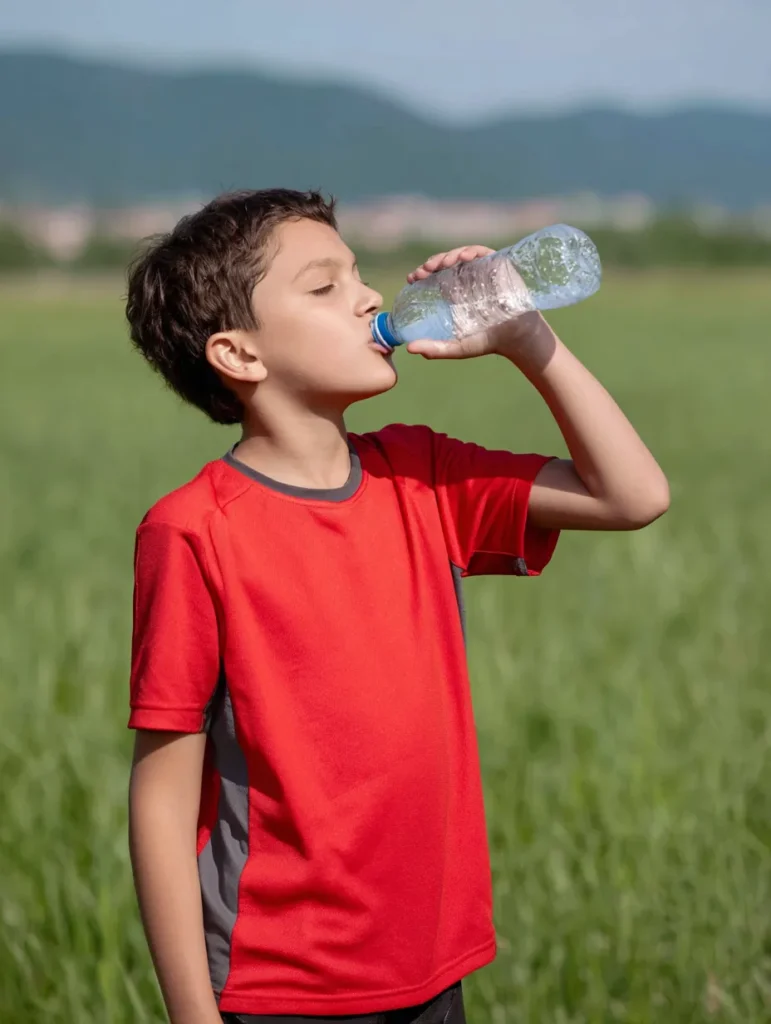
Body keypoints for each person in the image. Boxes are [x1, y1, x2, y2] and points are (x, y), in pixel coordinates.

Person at [125, 189, 669, 1024]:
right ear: (238, 354)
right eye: (323, 287)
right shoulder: (194, 531)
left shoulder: (422, 475)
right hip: (281, 985)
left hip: (428, 965)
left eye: (358, 275)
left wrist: (527, 338)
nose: (370, 297)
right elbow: (163, 796)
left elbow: (631, 495)